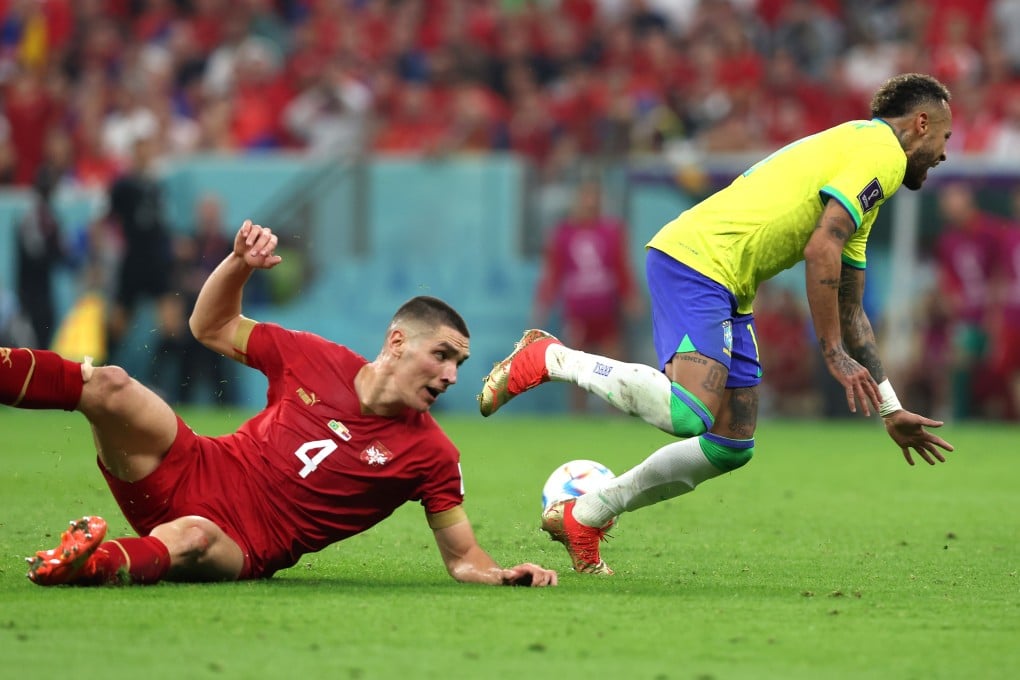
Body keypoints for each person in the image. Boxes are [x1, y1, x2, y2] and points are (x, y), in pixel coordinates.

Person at [477, 72, 956, 575]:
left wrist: (890, 407)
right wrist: (832, 353)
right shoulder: (882, 150)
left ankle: (587, 514)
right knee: (689, 414)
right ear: (921, 123)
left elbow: (850, 306)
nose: (945, 151)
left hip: (730, 284)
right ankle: (550, 357)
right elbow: (821, 250)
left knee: (730, 445)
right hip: (697, 260)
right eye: (945, 135)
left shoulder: (863, 174)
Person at [6, 219, 557, 588]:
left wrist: (502, 574)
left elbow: (462, 557)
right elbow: (211, 325)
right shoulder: (311, 355)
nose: (451, 375)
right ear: (396, 342)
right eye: (442, 356)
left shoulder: (434, 455)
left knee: (191, 537)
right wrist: (238, 264)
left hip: (241, 542)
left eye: (458, 364)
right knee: (111, 385)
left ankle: (81, 565)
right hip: (192, 465)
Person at [532, 179, 643, 413]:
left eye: (595, 198)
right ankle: (579, 417)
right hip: (578, 312)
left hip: (606, 311)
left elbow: (621, 267)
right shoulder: (563, 234)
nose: (590, 203)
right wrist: (542, 305)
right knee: (577, 368)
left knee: (615, 366)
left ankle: (616, 416)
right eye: (586, 198)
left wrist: (630, 296)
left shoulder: (611, 231)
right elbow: (553, 273)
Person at [15, 163, 67, 349]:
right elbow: (35, 252)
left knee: (46, 333)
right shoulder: (32, 216)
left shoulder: (49, 215)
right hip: (30, 290)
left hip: (43, 288)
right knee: (31, 341)